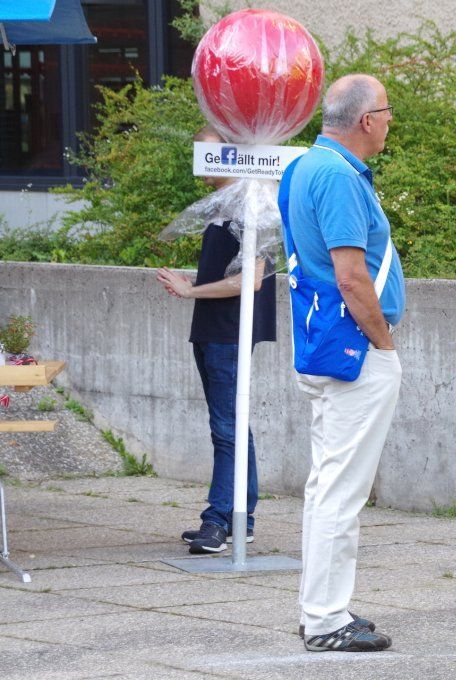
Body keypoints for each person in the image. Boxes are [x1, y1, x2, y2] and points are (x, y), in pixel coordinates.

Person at [280, 74, 404, 653]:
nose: (389, 121)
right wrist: (384, 342)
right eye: (386, 111)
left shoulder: (307, 166)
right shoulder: (336, 175)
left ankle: (321, 609)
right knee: (341, 492)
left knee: (326, 486)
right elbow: (351, 276)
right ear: (365, 120)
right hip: (355, 349)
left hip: (327, 343)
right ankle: (327, 620)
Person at [156, 126, 276, 555]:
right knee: (230, 426)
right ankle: (239, 517)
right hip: (212, 326)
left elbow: (253, 279)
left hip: (229, 329)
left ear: (231, 155)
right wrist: (194, 286)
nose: (200, 163)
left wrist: (192, 291)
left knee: (227, 428)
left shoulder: (252, 205)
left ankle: (219, 520)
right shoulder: (225, 206)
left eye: (207, 154)